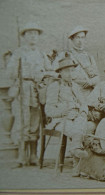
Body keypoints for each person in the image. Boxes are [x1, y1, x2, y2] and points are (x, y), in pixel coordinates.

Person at [7, 22, 53, 166]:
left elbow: (50, 71)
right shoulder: (18, 53)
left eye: (35, 34)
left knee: (35, 122)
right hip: (22, 90)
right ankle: (21, 156)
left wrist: (43, 76)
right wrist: (18, 70)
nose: (33, 36)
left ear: (38, 37)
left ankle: (33, 155)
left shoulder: (41, 54)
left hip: (36, 90)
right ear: (24, 37)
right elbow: (10, 73)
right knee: (22, 122)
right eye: (29, 34)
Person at [45, 57, 95, 177]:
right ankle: (76, 165)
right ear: (60, 72)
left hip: (78, 118)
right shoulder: (55, 86)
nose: (70, 74)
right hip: (61, 120)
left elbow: (84, 103)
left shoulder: (76, 86)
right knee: (77, 131)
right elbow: (49, 110)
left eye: (72, 71)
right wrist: (64, 112)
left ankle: (77, 156)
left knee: (91, 126)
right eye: (66, 71)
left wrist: (83, 112)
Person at [53, 26, 100, 97]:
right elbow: (54, 72)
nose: (80, 40)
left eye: (82, 37)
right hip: (72, 93)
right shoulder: (65, 55)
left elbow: (97, 77)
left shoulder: (89, 57)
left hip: (90, 93)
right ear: (72, 39)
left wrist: (91, 82)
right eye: (77, 37)